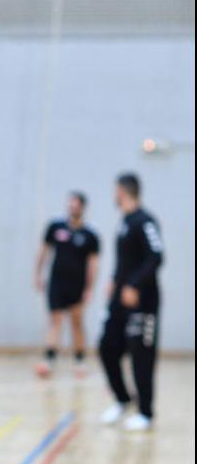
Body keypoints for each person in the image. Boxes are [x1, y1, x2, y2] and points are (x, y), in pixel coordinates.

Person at [98, 173, 163, 432]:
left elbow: (156, 256)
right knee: (107, 346)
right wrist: (115, 280)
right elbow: (125, 260)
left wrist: (134, 284)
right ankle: (123, 399)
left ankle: (146, 412)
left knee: (141, 356)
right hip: (120, 300)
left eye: (115, 191)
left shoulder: (145, 221)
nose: (114, 195)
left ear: (124, 192)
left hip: (142, 302)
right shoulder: (124, 222)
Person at [33, 192, 99, 378]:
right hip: (57, 283)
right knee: (55, 320)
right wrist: (38, 274)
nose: (72, 209)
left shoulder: (90, 234)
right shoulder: (56, 227)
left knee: (76, 322)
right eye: (70, 205)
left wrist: (89, 288)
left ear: (83, 208)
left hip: (77, 285)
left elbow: (93, 264)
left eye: (76, 206)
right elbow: (44, 252)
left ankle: (79, 360)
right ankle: (49, 359)